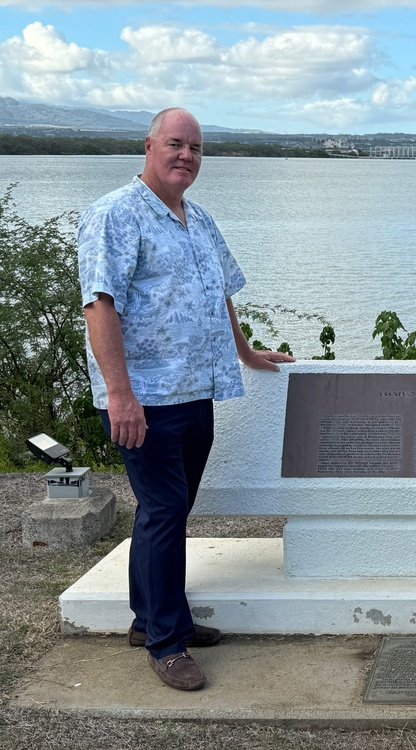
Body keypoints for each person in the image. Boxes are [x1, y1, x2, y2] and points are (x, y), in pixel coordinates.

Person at [77, 107, 294, 691]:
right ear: (148, 146)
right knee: (165, 510)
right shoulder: (115, 215)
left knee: (168, 512)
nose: (186, 157)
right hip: (142, 399)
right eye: (176, 144)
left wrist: (247, 354)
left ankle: (149, 617)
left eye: (196, 149)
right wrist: (119, 394)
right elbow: (100, 305)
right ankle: (167, 644)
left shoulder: (198, 219)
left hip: (196, 391)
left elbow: (219, 293)